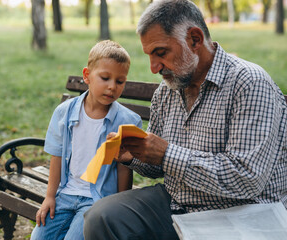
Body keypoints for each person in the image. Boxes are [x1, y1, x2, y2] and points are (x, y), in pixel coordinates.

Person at [83, 1, 287, 239]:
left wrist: (166, 154)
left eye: (161, 53)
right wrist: (133, 155)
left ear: (195, 39)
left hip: (241, 212)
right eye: (149, 56)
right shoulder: (169, 88)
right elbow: (158, 166)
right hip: (178, 202)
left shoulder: (249, 83)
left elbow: (246, 180)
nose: (154, 67)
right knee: (102, 217)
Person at [30, 40, 142, 240]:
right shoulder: (64, 112)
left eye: (120, 81)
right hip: (65, 195)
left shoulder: (127, 121)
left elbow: (124, 168)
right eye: (105, 78)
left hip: (97, 200)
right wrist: (49, 197)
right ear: (87, 76)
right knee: (39, 237)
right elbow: (57, 155)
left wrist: (117, 208)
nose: (112, 87)